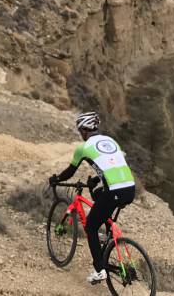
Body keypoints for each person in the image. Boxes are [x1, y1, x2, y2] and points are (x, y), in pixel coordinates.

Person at [50, 112, 136, 285]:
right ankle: (106, 232)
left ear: (83, 130)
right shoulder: (111, 141)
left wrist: (56, 179)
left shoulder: (83, 148)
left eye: (80, 130)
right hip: (130, 188)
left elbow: (70, 172)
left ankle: (99, 270)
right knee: (97, 194)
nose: (80, 134)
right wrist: (95, 180)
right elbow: (113, 164)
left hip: (114, 191)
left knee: (90, 226)